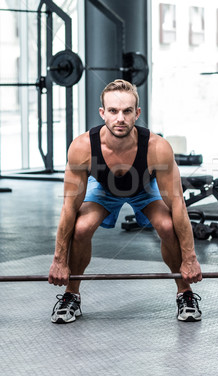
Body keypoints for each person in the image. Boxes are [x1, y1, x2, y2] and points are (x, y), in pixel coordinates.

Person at [48, 79, 203, 323]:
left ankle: (185, 292)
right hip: (104, 189)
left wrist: (190, 258)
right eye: (113, 111)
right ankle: (71, 295)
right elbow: (70, 207)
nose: (120, 118)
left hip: (143, 187)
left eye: (127, 111)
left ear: (137, 113)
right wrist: (58, 260)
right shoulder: (82, 148)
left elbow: (178, 206)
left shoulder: (157, 148)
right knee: (81, 228)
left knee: (166, 225)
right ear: (102, 113)